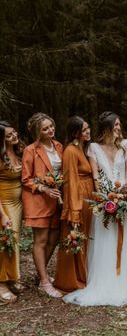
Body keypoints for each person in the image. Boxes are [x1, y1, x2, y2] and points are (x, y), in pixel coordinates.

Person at [63, 111, 127, 306]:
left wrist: (125, 195)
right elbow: (96, 176)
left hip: (125, 198)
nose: (119, 129)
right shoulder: (94, 148)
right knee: (106, 242)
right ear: (106, 129)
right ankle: (105, 280)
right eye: (115, 126)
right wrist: (106, 199)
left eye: (120, 125)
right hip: (105, 200)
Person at [22, 112, 63, 298]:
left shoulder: (59, 146)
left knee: (54, 238)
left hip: (56, 200)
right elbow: (26, 179)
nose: (50, 130)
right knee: (41, 240)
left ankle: (42, 276)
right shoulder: (31, 150)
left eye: (51, 126)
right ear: (38, 132)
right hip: (38, 200)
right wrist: (43, 189)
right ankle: (45, 282)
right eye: (45, 128)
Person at [54, 116, 94, 292]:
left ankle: (84, 274)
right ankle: (72, 279)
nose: (88, 132)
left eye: (88, 128)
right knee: (76, 236)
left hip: (87, 197)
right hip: (78, 198)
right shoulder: (70, 150)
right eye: (84, 130)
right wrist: (74, 211)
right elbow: (70, 182)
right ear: (75, 132)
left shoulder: (82, 148)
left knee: (84, 238)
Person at [0, 121, 24, 303]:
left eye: (14, 132)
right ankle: (1, 284)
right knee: (5, 241)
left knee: (13, 242)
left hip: (18, 203)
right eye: (9, 135)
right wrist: (2, 214)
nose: (14, 136)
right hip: (4, 204)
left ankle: (11, 277)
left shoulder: (18, 151)